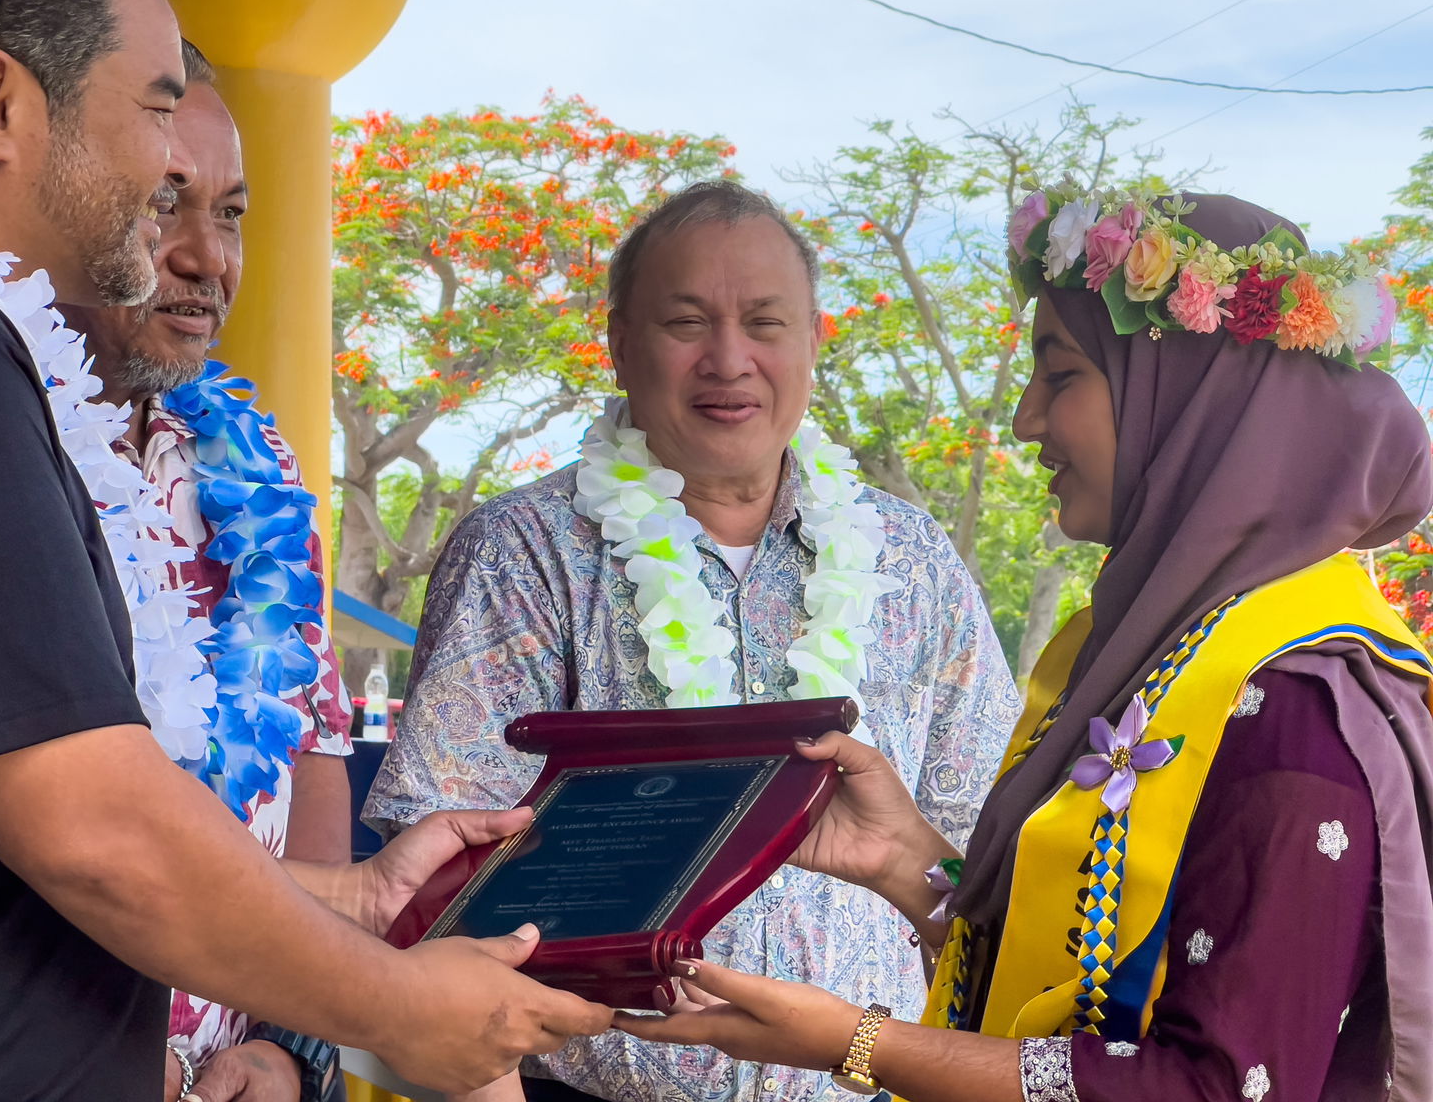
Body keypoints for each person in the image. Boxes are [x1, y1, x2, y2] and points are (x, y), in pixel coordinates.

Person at [0, 0, 610, 1100]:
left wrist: (351, 895)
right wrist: (400, 1008)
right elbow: (91, 826)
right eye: (153, 108)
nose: (165, 176)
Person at [615, 185, 1433, 1102]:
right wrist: (906, 862)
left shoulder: (1294, 695)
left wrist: (860, 1044)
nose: (1026, 421)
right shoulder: (1152, 651)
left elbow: (1221, 1087)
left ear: (1189, 399)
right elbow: (1072, 972)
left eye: (1062, 374)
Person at [366, 179, 1023, 1102]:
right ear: (620, 343)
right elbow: (438, 887)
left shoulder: (912, 557)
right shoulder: (521, 551)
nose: (729, 359)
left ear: (814, 342)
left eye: (764, 321)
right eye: (686, 323)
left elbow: (982, 864)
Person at [55, 40, 354, 1101]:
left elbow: (311, 742)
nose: (203, 257)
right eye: (161, 202)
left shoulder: (255, 464)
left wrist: (286, 1039)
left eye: (228, 213)